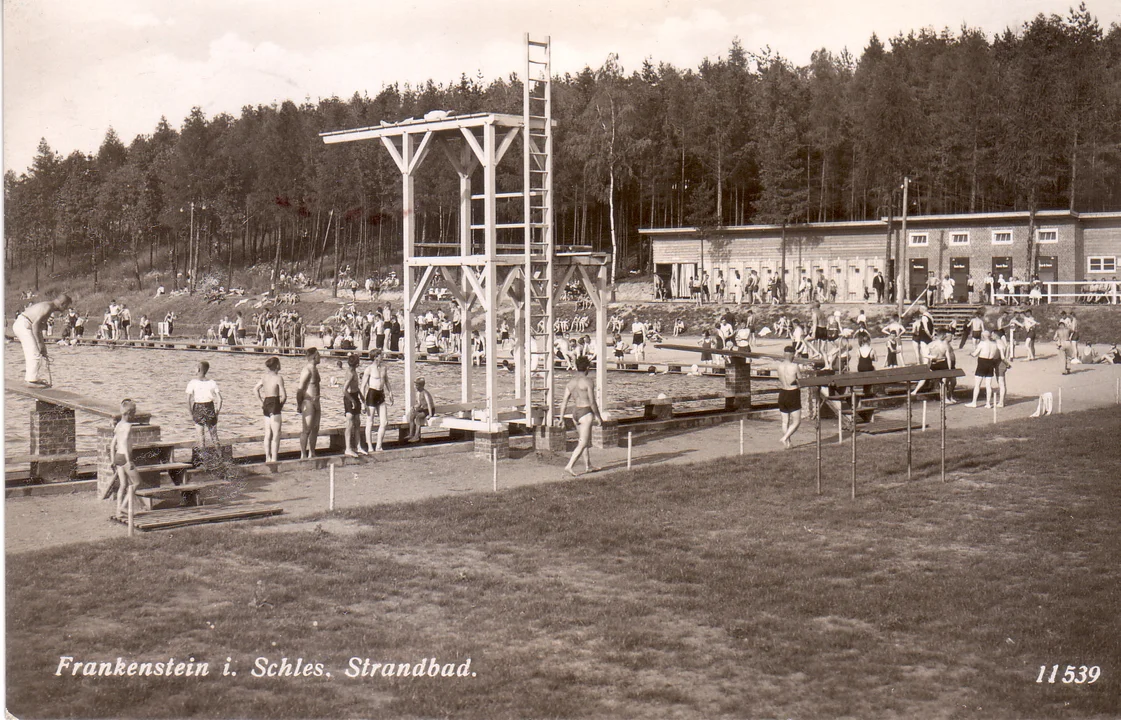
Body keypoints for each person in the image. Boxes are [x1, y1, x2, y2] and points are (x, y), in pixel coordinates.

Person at [13, 294, 71, 386]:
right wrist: (40, 343)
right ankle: (31, 380)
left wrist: (43, 347)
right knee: (35, 354)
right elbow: (35, 326)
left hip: (22, 324)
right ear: (62, 304)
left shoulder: (49, 307)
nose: (66, 309)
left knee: (34, 353)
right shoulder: (48, 308)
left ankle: (31, 378)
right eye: (66, 306)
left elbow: (39, 329)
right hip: (23, 325)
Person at [558, 355, 603, 477]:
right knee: (583, 442)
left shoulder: (571, 383)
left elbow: (564, 401)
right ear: (587, 368)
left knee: (584, 440)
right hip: (585, 412)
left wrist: (561, 418)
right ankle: (569, 466)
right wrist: (598, 416)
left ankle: (588, 465)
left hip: (575, 412)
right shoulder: (588, 382)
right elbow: (592, 402)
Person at [109, 399, 143, 519]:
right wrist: (129, 461)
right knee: (137, 482)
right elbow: (123, 443)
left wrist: (112, 460)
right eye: (133, 413)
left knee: (123, 485)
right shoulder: (128, 426)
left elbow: (112, 445)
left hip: (118, 457)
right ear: (129, 413)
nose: (134, 416)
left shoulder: (118, 425)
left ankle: (118, 510)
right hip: (125, 458)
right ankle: (123, 506)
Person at [361, 349, 394, 452]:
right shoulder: (369, 369)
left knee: (384, 422)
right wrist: (363, 403)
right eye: (380, 355)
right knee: (370, 421)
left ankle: (379, 445)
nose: (382, 357)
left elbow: (387, 381)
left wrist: (390, 393)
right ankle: (370, 446)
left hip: (381, 394)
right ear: (375, 357)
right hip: (372, 394)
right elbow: (363, 387)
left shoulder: (384, 368)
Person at [254, 357, 286, 463]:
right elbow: (284, 396)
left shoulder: (264, 377)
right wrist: (280, 406)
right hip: (274, 402)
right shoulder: (278, 378)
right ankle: (274, 459)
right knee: (276, 433)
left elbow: (255, 389)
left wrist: (260, 402)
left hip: (266, 403)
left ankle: (267, 457)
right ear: (277, 365)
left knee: (268, 433)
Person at [186, 361, 222, 447]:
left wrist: (191, 414)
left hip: (198, 408)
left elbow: (188, 400)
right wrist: (217, 412)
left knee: (201, 438)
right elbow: (220, 399)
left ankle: (202, 458)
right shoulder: (212, 382)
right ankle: (220, 456)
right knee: (214, 436)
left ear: (198, 369)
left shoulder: (193, 382)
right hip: (210, 407)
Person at [295, 347, 322, 459]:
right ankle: (303, 454)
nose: (320, 357)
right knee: (306, 429)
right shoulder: (307, 370)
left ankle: (312, 452)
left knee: (315, 428)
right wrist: (299, 404)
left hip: (316, 401)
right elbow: (300, 389)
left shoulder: (315, 369)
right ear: (314, 356)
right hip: (308, 401)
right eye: (319, 354)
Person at [777, 345, 803, 448]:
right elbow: (800, 381)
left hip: (783, 392)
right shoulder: (794, 366)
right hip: (793, 393)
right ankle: (784, 438)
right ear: (792, 355)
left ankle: (788, 444)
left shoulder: (779, 366)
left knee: (785, 421)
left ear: (784, 354)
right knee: (796, 421)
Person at [342, 353, 366, 457]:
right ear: (356, 363)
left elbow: (356, 387)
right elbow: (344, 390)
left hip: (355, 395)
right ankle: (348, 448)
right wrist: (352, 400)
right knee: (350, 422)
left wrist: (361, 396)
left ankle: (358, 446)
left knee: (357, 421)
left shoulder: (354, 371)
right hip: (349, 397)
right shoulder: (350, 374)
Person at [967, 331, 998, 408]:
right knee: (988, 385)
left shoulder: (982, 344)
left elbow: (975, 354)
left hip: (982, 363)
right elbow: (995, 356)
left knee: (977, 384)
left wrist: (970, 353)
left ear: (983, 336)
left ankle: (974, 402)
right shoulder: (994, 344)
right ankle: (988, 403)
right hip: (990, 362)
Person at [406, 378, 436, 442]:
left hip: (428, 410)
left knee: (418, 417)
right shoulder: (418, 393)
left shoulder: (425, 393)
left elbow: (429, 404)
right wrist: (414, 407)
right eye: (415, 385)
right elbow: (419, 403)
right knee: (412, 416)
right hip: (423, 409)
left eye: (417, 386)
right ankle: (411, 434)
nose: (415, 387)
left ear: (421, 386)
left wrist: (430, 415)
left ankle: (417, 436)